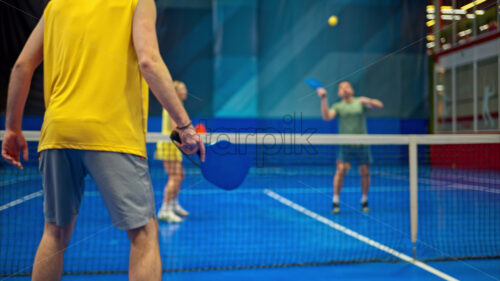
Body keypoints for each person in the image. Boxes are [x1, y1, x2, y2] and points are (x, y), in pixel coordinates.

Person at [1, 0, 205, 280]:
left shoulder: (57, 5)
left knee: (55, 232)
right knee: (143, 234)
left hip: (59, 131)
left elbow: (22, 66)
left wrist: (12, 128)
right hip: (113, 133)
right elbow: (148, 60)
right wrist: (184, 125)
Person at [317, 81, 383, 214]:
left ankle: (364, 200)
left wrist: (369, 100)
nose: (344, 89)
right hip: (345, 144)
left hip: (362, 143)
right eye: (341, 88)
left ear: (352, 90)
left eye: (347, 87)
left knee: (365, 172)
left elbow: (379, 105)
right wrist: (324, 99)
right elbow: (326, 116)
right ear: (339, 93)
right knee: (340, 171)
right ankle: (335, 200)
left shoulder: (360, 102)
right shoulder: (338, 106)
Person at [156, 81, 189, 223]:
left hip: (173, 144)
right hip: (169, 144)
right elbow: (176, 129)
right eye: (182, 89)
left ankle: (173, 204)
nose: (185, 91)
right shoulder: (172, 106)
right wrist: (189, 140)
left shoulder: (177, 105)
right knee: (174, 177)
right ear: (175, 92)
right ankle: (164, 209)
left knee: (180, 175)